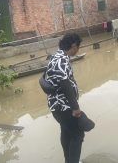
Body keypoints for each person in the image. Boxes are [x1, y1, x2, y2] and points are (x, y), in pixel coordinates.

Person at [45, 33, 84, 163]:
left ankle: (68, 160)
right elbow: (65, 83)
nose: (78, 50)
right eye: (78, 47)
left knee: (66, 132)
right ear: (73, 46)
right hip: (63, 107)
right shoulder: (61, 60)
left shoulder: (57, 55)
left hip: (57, 106)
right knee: (78, 135)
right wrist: (75, 108)